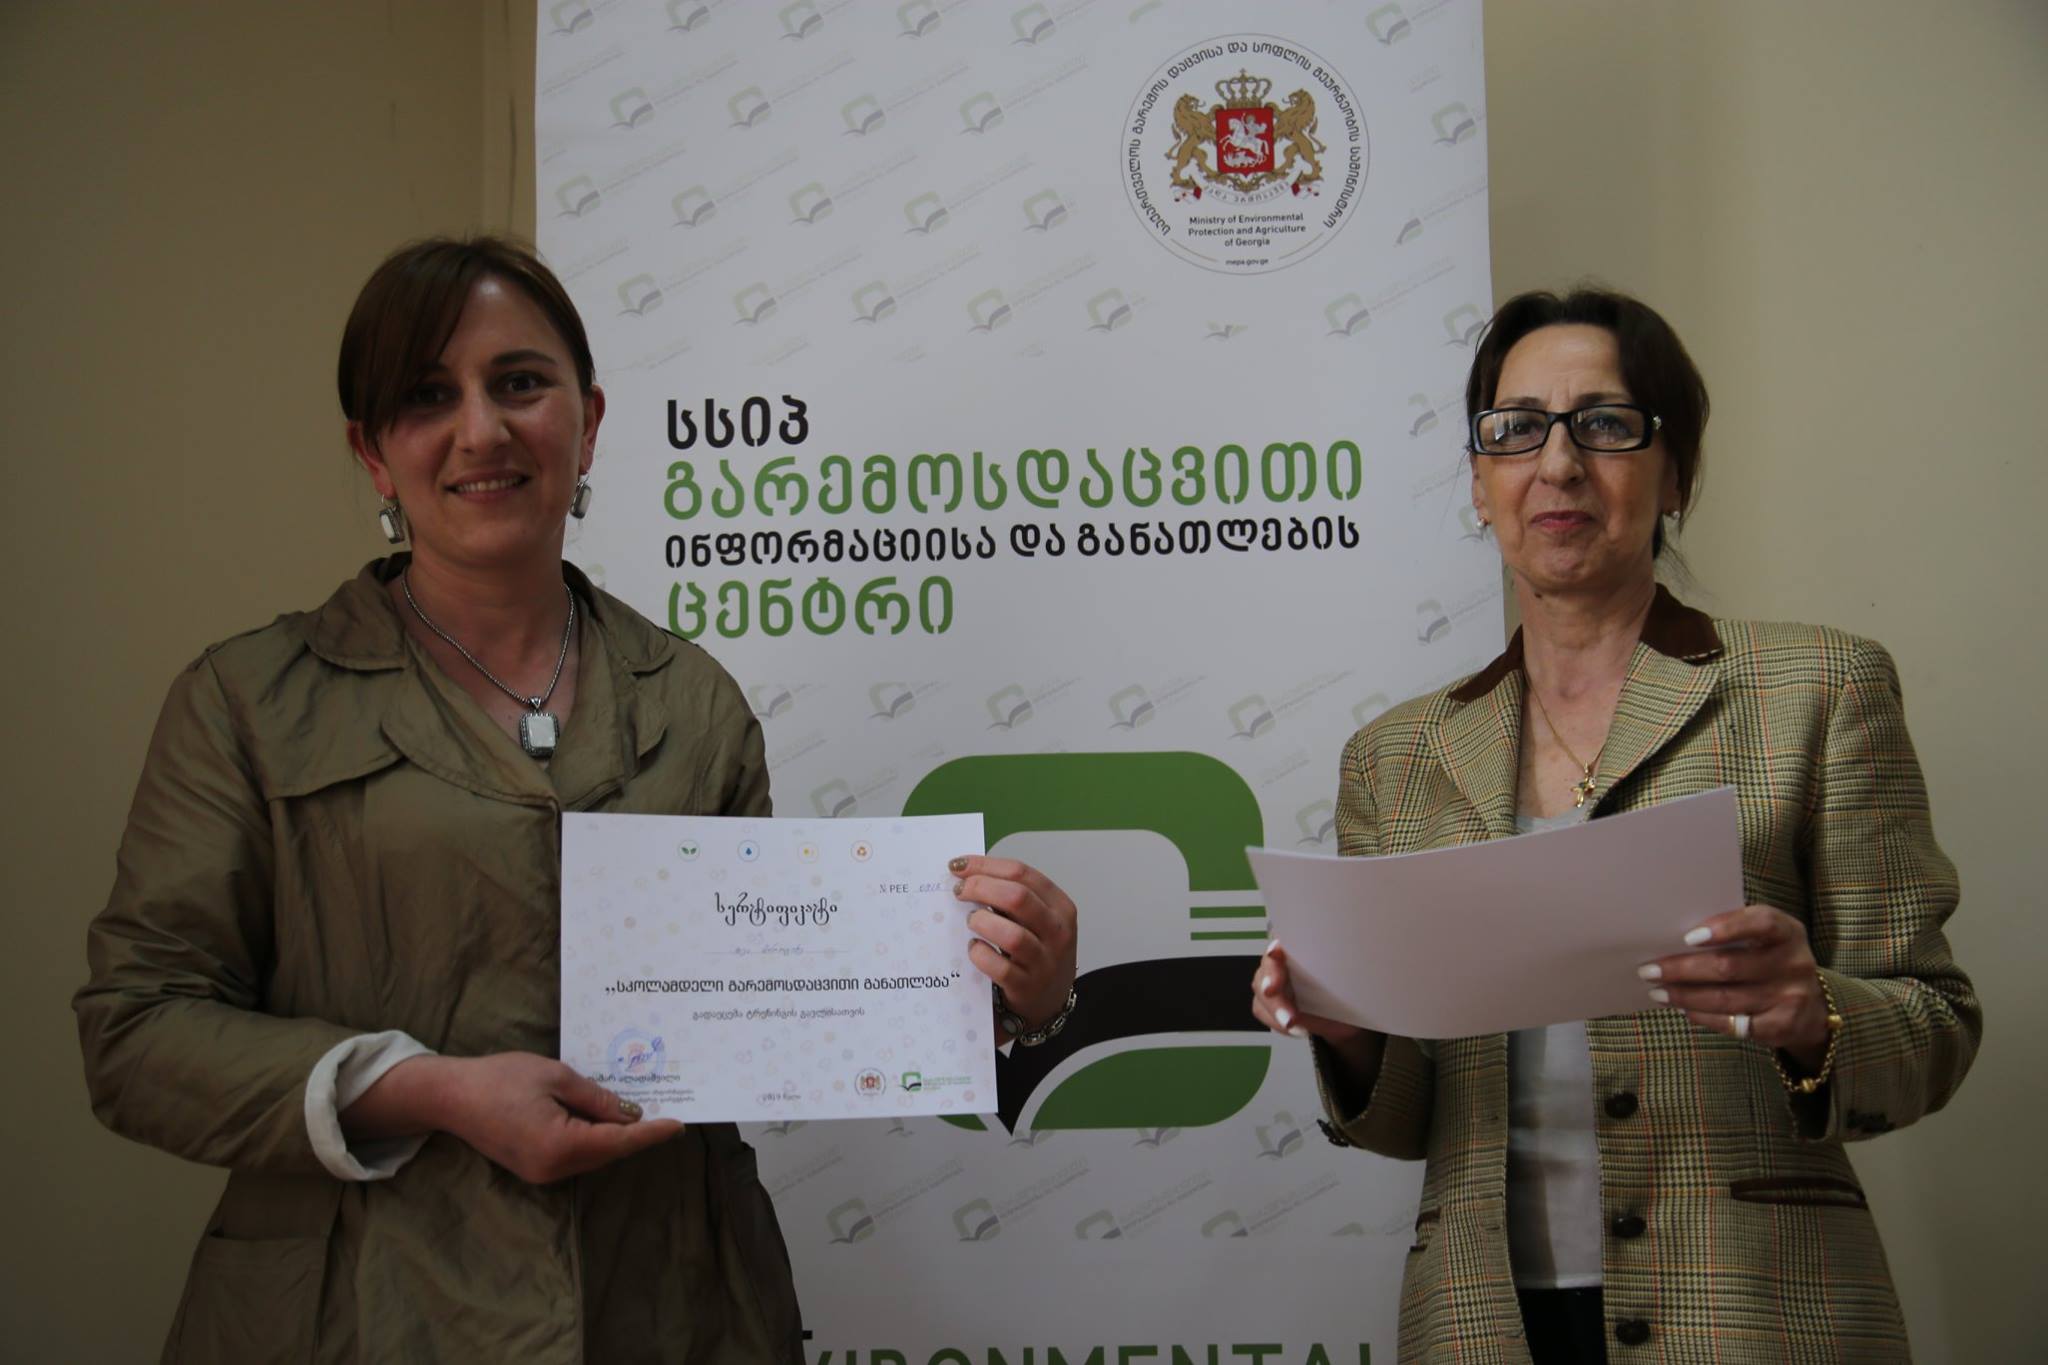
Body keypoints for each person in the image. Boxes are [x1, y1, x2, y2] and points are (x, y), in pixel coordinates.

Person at [74, 236, 1080, 1364]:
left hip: (670, 1305)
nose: (481, 431)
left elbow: (767, 1010)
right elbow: (136, 1033)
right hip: (361, 1311)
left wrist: (1000, 995)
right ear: (371, 452)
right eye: (427, 396)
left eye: (519, 382)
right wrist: (424, 1089)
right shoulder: (249, 702)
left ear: (587, 421)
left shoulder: (693, 700)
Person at [1250, 287, 1978, 1364]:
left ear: (1674, 473)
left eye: (1603, 423)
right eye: (1515, 429)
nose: (1557, 463)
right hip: (1484, 1323)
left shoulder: (1818, 690)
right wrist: (1347, 1032)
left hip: (1755, 1310)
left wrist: (1812, 1014)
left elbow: (1935, 1026)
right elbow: (1406, 1123)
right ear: (1478, 481)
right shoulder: (1392, 760)